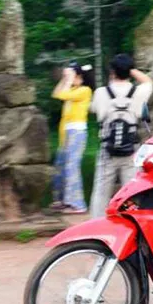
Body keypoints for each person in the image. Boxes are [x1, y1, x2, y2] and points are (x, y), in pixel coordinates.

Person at [89, 54, 153, 218]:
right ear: (130, 71)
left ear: (112, 71)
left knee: (101, 192)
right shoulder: (138, 92)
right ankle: (133, 226)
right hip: (131, 151)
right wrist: (130, 70)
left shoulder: (101, 92)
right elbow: (148, 81)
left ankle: (96, 227)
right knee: (132, 191)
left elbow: (93, 110)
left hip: (107, 150)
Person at [50, 62, 95, 215]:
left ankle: (78, 204)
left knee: (72, 167)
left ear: (80, 77)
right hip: (66, 133)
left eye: (74, 76)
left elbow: (62, 95)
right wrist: (64, 79)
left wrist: (68, 78)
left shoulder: (85, 91)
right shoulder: (73, 89)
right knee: (60, 167)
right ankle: (62, 200)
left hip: (77, 132)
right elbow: (56, 94)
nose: (71, 79)